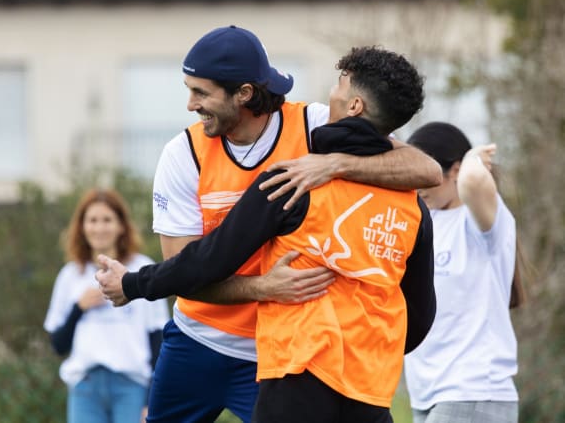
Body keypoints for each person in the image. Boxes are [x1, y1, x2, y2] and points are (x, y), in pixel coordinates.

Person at [97, 45, 437, 423]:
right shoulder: (413, 207)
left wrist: (132, 284)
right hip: (365, 383)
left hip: (294, 370)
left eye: (341, 83)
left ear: (354, 106)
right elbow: (420, 315)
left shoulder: (292, 179)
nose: (332, 90)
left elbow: (206, 260)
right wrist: (371, 347)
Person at [403, 122, 520, 423]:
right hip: (427, 393)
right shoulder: (420, 221)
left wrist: (471, 162)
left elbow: (471, 184)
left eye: (427, 175)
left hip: (474, 390)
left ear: (454, 170)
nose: (418, 185)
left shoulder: (482, 222)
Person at [43, 189, 170, 423]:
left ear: (121, 225)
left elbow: (158, 341)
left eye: (107, 220)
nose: (99, 228)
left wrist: (151, 400)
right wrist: (78, 308)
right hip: (85, 387)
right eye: (92, 220)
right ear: (82, 227)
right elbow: (58, 345)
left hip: (131, 386)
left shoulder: (142, 269)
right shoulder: (70, 275)